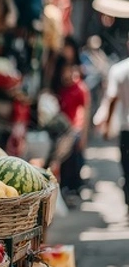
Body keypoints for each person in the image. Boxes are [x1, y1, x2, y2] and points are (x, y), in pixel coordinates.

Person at [50, 56, 91, 205]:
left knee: (73, 157)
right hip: (61, 130)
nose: (66, 74)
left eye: (69, 70)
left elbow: (85, 113)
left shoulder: (80, 88)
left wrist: (83, 135)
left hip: (75, 130)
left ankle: (74, 187)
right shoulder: (61, 89)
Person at [98, 34, 129, 208]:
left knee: (127, 168)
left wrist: (107, 126)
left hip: (126, 128)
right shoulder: (118, 70)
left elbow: (112, 99)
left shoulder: (119, 69)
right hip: (125, 127)